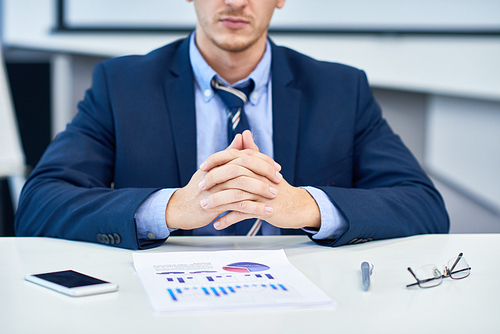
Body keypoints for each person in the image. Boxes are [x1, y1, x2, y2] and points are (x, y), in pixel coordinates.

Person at [14, 0, 449, 250]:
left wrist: (306, 208)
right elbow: (39, 205)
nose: (236, 1)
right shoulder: (122, 84)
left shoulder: (340, 88)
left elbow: (424, 207)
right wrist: (172, 209)